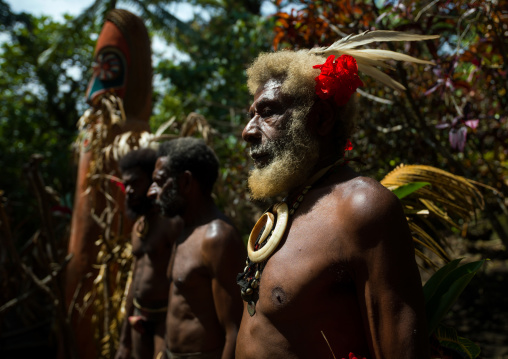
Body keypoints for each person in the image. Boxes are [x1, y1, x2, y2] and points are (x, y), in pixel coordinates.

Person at [235, 48, 431, 358]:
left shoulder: (361, 206)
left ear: (322, 118)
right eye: (251, 115)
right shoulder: (289, 208)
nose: (248, 131)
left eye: (267, 111)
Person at [147, 137, 245, 359]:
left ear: (186, 183)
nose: (152, 192)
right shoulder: (184, 228)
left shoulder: (217, 238)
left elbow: (235, 331)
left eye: (161, 182)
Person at [115, 148, 181, 359]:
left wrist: (172, 329)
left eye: (135, 182)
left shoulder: (171, 223)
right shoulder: (138, 227)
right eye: (126, 185)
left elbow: (181, 282)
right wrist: (124, 341)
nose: (129, 191)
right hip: (138, 317)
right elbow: (134, 282)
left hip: (165, 321)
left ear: (151, 180)